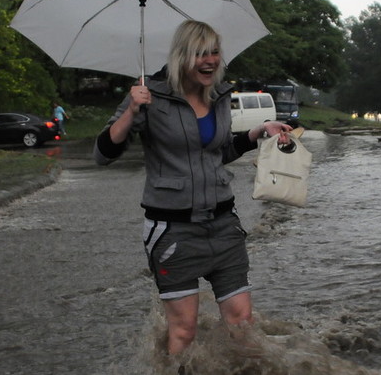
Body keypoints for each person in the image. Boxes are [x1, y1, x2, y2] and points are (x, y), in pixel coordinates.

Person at [93, 20, 292, 357]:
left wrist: (258, 131)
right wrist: (131, 111)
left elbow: (219, 152)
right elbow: (102, 155)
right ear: (181, 56)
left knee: (242, 322)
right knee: (184, 330)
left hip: (223, 225)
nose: (209, 60)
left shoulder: (218, 96)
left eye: (214, 52)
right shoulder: (149, 95)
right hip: (173, 231)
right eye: (200, 53)